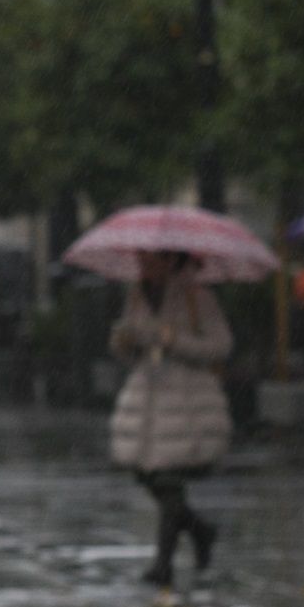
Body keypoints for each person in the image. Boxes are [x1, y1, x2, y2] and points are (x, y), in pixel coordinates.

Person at [110, 250, 233, 589]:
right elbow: (130, 346)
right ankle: (200, 531)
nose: (142, 266)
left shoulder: (198, 298)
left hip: (185, 402)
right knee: (151, 478)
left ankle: (163, 563)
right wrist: (125, 342)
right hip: (147, 401)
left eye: (149, 259)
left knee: (168, 482)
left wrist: (173, 341)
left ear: (169, 261)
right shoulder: (138, 295)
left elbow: (220, 346)